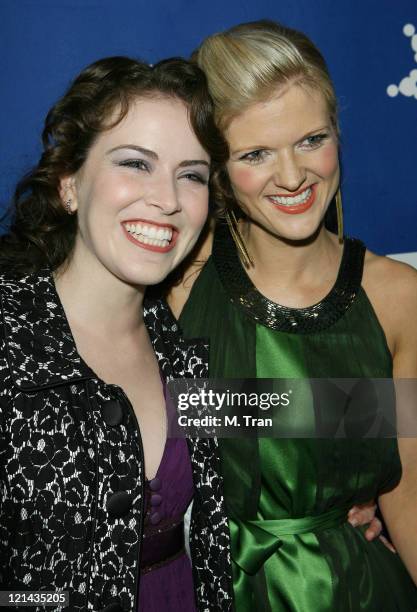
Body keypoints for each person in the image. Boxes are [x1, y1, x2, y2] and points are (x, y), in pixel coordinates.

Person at [167, 20, 417, 611]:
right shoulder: (175, 278)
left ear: (338, 133)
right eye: (255, 153)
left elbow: (408, 492)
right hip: (205, 589)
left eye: (311, 139)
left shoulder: (397, 295)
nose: (292, 176)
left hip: (356, 590)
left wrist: (350, 495)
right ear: (217, 169)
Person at [0, 55, 232, 612]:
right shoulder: (11, 342)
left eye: (191, 174)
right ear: (69, 184)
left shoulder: (184, 350)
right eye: (135, 163)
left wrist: (355, 477)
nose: (169, 199)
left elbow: (289, 414)